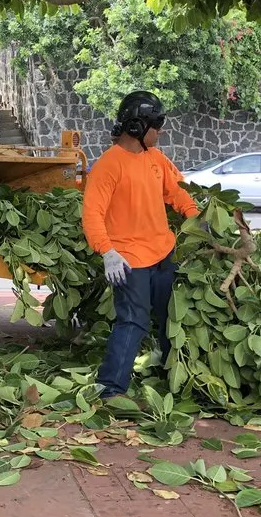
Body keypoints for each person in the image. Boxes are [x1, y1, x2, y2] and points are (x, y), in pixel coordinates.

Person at [81, 90, 200, 398]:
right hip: (129, 260)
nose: (161, 131)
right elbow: (92, 214)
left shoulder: (155, 159)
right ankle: (110, 388)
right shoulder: (108, 166)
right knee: (133, 321)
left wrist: (198, 218)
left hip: (163, 253)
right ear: (137, 126)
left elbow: (177, 192)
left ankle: (168, 375)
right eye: (156, 124)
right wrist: (106, 252)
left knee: (169, 317)